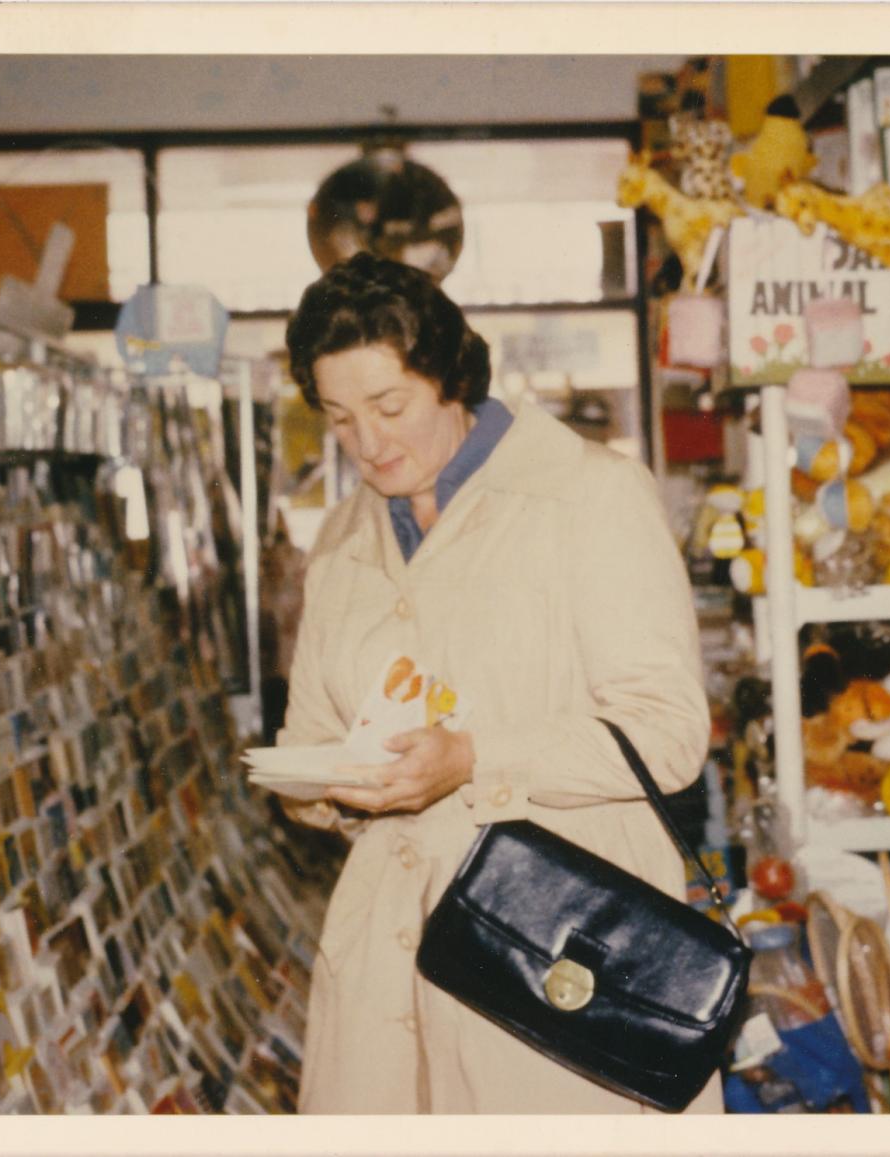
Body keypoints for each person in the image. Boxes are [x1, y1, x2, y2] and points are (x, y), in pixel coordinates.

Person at [278, 252, 716, 1114]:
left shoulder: (590, 495)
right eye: (339, 419)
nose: (369, 444)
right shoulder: (339, 539)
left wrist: (472, 759)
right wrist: (330, 787)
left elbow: (668, 731)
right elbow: (307, 744)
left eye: (390, 406)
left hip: (553, 957)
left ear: (449, 377)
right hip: (385, 971)